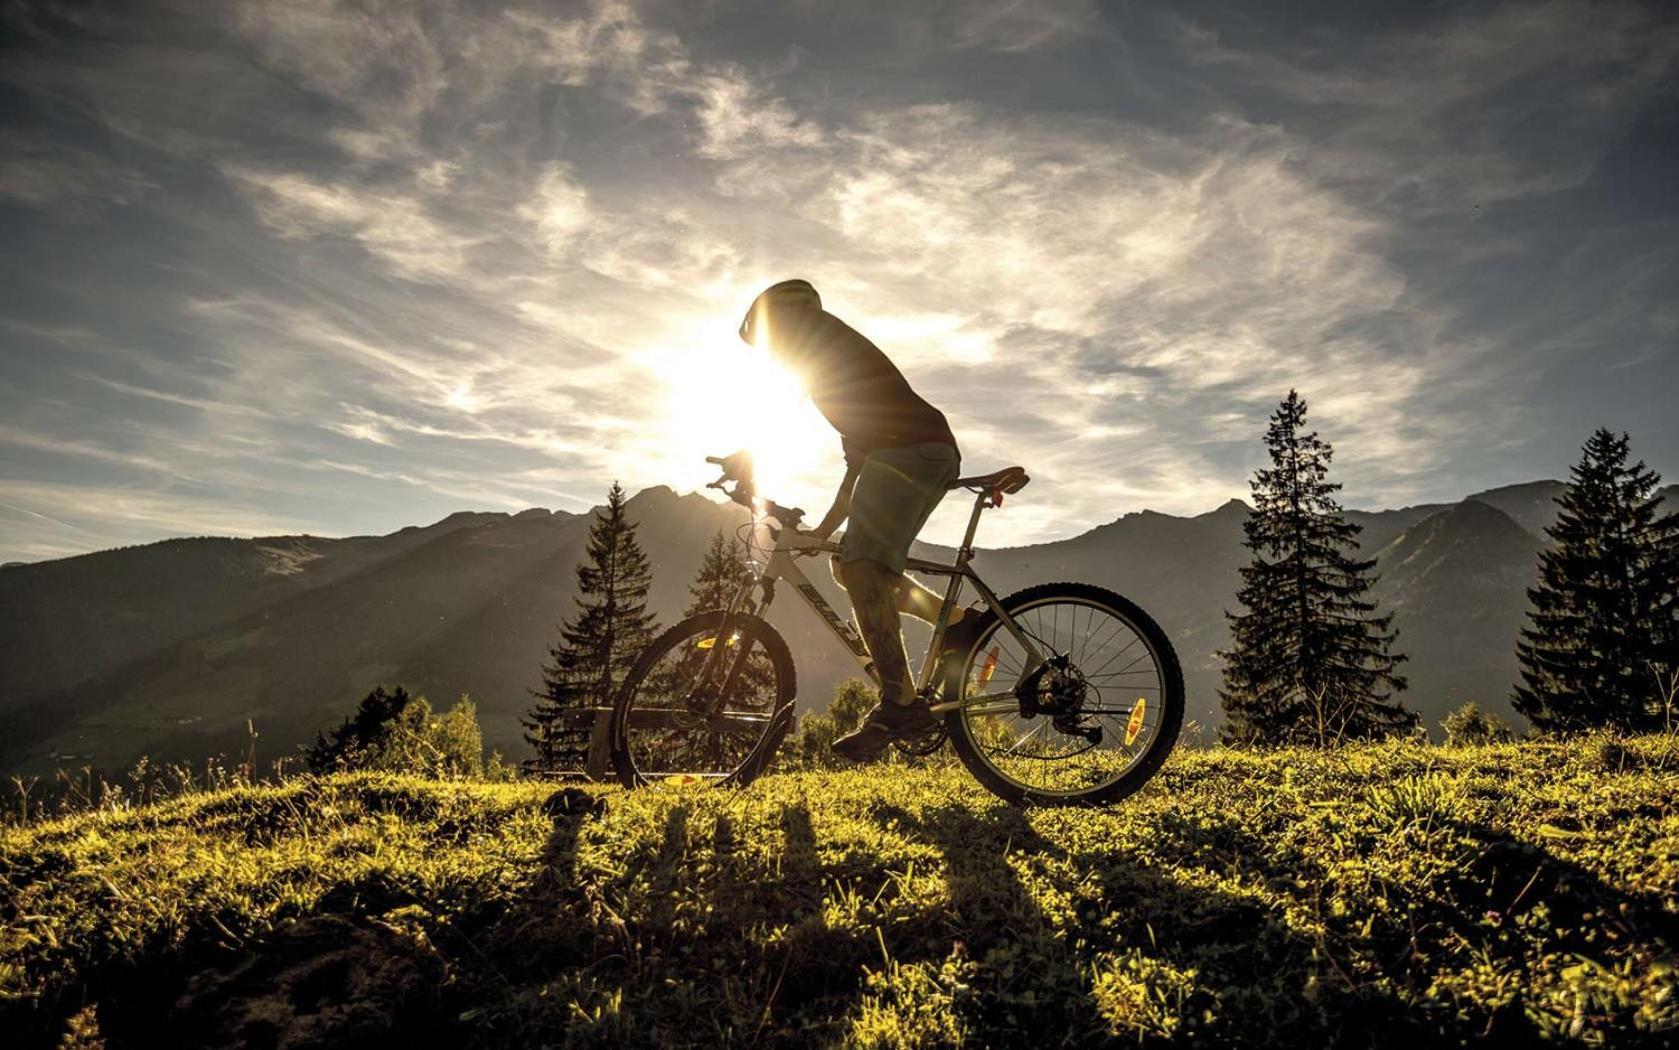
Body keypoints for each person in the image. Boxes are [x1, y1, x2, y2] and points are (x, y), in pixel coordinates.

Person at [739, 279, 966, 761]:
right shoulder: (836, 361)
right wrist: (823, 531)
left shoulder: (820, 349)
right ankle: (958, 623)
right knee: (849, 564)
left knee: (861, 567)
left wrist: (748, 457)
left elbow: (781, 419)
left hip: (914, 452)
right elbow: (858, 466)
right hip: (916, 451)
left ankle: (900, 702)